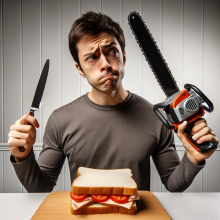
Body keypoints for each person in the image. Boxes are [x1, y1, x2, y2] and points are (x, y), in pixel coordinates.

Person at [8, 11, 219, 193]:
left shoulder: (157, 117)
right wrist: (23, 157)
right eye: (92, 57)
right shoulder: (60, 120)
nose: (106, 64)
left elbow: (173, 184)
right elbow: (41, 188)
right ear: (79, 69)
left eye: (112, 52)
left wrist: (193, 159)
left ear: (124, 57)